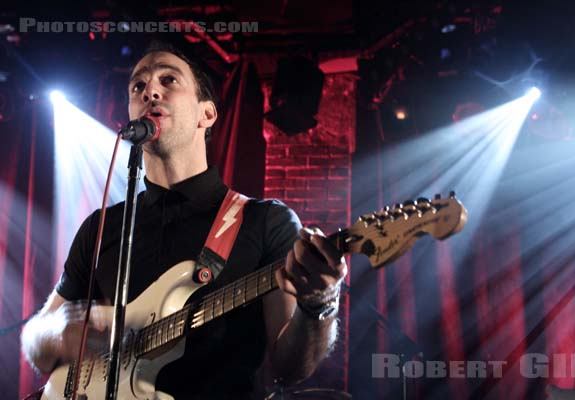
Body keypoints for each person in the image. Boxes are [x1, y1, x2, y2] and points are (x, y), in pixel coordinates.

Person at [21, 41, 347, 399]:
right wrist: (56, 333)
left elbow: (289, 368)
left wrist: (319, 302)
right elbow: (36, 334)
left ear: (206, 115)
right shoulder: (101, 227)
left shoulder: (265, 221)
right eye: (138, 86)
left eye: (169, 80)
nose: (151, 92)